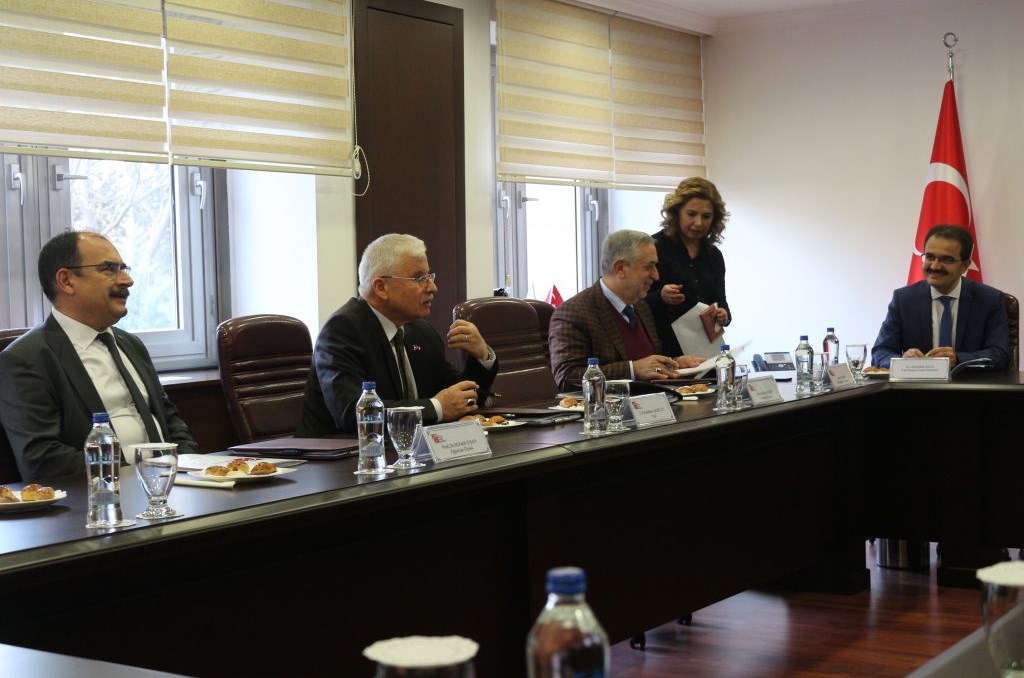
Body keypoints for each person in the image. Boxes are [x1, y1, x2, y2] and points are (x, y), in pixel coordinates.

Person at [0, 231, 198, 481]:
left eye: (123, 268)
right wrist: (134, 476)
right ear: (66, 281)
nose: (127, 280)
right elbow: (42, 460)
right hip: (99, 496)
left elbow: (172, 423)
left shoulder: (131, 344)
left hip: (171, 484)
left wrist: (189, 468)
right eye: (109, 269)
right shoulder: (25, 359)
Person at [298, 233, 499, 435]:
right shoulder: (342, 330)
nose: (433, 287)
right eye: (419, 278)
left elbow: (460, 399)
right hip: (342, 452)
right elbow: (354, 413)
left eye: (430, 277)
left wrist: (482, 356)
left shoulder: (421, 332)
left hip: (406, 449)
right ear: (381, 287)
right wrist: (437, 408)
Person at [548, 229, 705, 391]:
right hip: (612, 406)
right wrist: (632, 369)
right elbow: (567, 378)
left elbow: (647, 364)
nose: (656, 275)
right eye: (649, 267)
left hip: (656, 402)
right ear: (620, 268)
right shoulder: (573, 313)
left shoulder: (641, 306)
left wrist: (674, 363)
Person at [872, 224, 1009, 370]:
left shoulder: (989, 300)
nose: (935, 266)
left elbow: (999, 354)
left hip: (969, 383)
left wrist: (958, 359)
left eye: (946, 260)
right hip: (917, 384)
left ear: (964, 265)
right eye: (929, 257)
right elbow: (880, 352)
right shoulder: (903, 300)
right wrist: (902, 362)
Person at [645, 177, 732, 357]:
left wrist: (724, 315)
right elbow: (632, 305)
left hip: (706, 351)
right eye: (691, 214)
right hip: (663, 351)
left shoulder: (714, 256)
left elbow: (720, 300)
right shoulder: (653, 248)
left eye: (706, 216)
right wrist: (660, 296)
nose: (699, 223)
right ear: (677, 213)